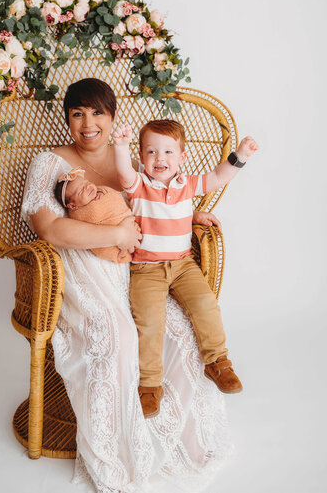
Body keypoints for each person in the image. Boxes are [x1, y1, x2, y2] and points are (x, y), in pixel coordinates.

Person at [21, 78, 233, 493]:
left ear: (113, 116)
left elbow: (146, 206)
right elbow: (50, 229)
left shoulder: (130, 166)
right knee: (116, 334)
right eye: (78, 113)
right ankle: (116, 453)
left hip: (134, 272)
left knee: (182, 329)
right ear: (67, 119)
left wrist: (189, 218)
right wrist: (115, 237)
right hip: (78, 272)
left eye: (97, 112)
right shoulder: (50, 162)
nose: (88, 123)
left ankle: (166, 432)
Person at [112, 119, 259, 418]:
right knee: (150, 322)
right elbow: (123, 172)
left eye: (168, 152)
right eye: (151, 152)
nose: (160, 159)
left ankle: (217, 361)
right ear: (141, 157)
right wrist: (120, 146)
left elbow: (219, 176)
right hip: (146, 268)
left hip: (182, 263)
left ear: (182, 157)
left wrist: (240, 156)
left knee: (206, 305)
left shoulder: (187, 184)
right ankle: (150, 384)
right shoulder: (139, 185)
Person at [54, 167, 134, 262]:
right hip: (114, 242)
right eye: (80, 191)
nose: (88, 187)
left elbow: (112, 194)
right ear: (73, 206)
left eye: (86, 182)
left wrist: (101, 192)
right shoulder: (79, 215)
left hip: (130, 223)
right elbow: (90, 229)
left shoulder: (97, 192)